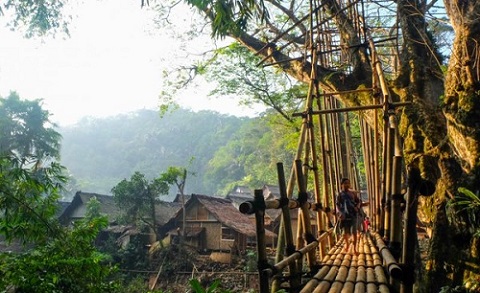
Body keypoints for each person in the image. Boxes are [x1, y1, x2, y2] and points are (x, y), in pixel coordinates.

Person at [336, 178, 361, 254]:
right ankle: (347, 244)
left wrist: (357, 207)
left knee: (353, 232)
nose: (347, 185)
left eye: (348, 183)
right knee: (345, 233)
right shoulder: (339, 195)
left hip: (353, 214)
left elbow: (359, 201)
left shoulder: (352, 194)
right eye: (345, 183)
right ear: (341, 185)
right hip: (344, 215)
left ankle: (354, 249)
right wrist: (340, 213)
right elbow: (337, 205)